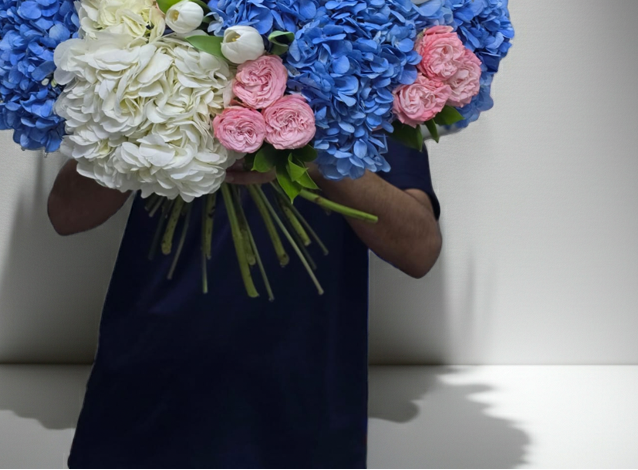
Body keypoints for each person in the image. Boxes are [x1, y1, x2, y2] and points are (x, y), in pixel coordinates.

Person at [48, 136, 441, 470]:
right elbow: (65, 214)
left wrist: (313, 158)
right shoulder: (158, 56)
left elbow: (419, 248)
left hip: (303, 412)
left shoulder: (364, 72)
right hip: (144, 395)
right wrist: (148, 126)